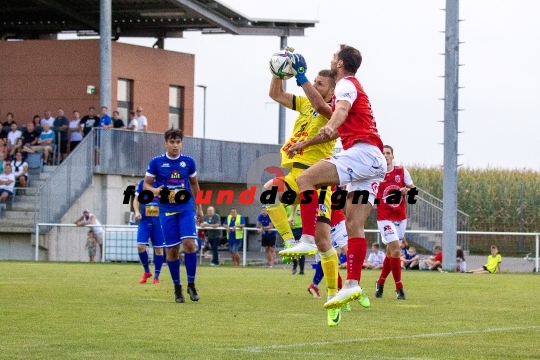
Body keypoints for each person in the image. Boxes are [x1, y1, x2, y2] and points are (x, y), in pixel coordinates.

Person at [279, 45, 386, 313]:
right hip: (372, 163)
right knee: (354, 226)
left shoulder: (346, 84)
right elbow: (320, 105)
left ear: (339, 64)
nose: (331, 59)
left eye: (333, 57)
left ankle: (306, 237)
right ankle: (352, 284)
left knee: (305, 179)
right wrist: (302, 77)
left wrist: (332, 125)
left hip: (362, 154)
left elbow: (340, 111)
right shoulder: (348, 86)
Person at [266, 65, 341, 326]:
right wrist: (278, 70)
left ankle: (334, 297)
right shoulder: (305, 104)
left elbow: (321, 107)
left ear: (332, 91)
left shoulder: (336, 112)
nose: (314, 85)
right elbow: (276, 94)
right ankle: (288, 242)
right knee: (268, 192)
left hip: (318, 180)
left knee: (323, 243)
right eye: (315, 81)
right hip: (295, 176)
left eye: (320, 83)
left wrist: (300, 76)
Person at [144, 128, 204, 303]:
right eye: (172, 142)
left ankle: (191, 285)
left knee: (189, 244)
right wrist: (155, 190)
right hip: (167, 211)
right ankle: (177, 288)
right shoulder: (156, 163)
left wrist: (199, 207)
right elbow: (146, 184)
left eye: (178, 142)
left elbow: (194, 185)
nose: (175, 145)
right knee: (172, 250)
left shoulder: (188, 162)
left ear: (181, 143)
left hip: (185, 208)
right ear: (166, 143)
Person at [374, 145, 415, 300]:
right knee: (397, 250)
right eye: (383, 153)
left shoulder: (401, 172)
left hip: (400, 217)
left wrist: (407, 190)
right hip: (384, 218)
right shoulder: (376, 174)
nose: (385, 155)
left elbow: (413, 189)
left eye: (388, 153)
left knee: (391, 253)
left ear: (392, 156)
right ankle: (399, 288)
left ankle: (380, 282)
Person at [133, 179, 165, 284]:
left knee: (159, 250)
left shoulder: (163, 182)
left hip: (158, 223)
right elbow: (136, 199)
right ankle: (147, 271)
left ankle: (156, 276)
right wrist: (137, 212)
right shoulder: (143, 182)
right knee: (140, 246)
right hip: (145, 221)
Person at [286, 204, 305, 275]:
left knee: (301, 250)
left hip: (300, 229)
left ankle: (302, 270)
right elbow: (285, 218)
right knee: (292, 249)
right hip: (291, 230)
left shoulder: (301, 206)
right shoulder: (287, 207)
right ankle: (294, 266)